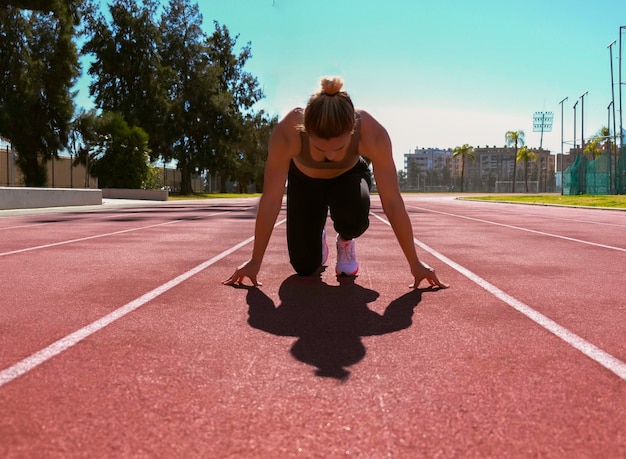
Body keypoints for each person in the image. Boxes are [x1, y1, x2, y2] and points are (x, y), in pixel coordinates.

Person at [223, 76, 448, 289]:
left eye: (339, 148)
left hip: (348, 180)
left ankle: (345, 240)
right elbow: (271, 199)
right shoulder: (287, 133)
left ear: (352, 130)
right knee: (304, 267)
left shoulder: (371, 133)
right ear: (305, 130)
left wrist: (415, 264)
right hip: (305, 184)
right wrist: (255, 261)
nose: (330, 156)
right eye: (320, 149)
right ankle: (318, 238)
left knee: (353, 220)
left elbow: (392, 201)